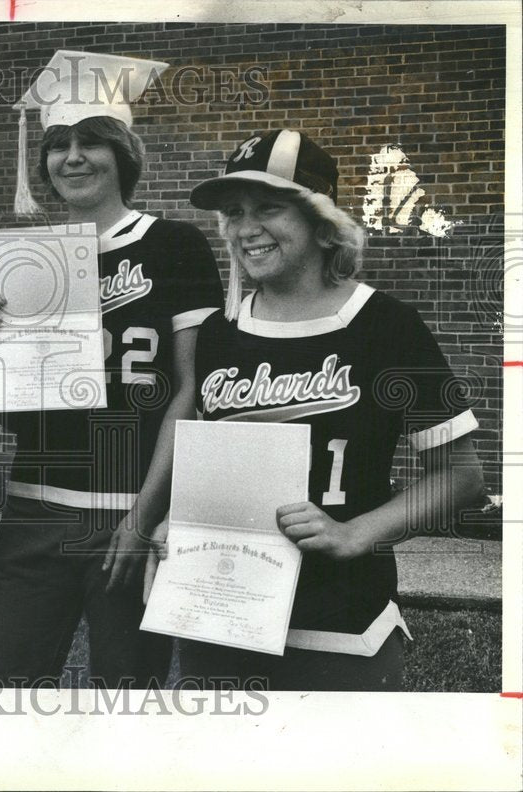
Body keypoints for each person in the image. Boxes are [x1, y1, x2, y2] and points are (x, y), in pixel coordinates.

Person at [144, 129, 485, 691]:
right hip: (221, 618)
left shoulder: (387, 325)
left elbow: (463, 477)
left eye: (269, 208)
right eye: (234, 212)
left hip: (341, 624)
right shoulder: (218, 333)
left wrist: (358, 533)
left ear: (322, 220)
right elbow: (213, 471)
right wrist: (175, 525)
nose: (246, 228)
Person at [0, 51, 224, 687]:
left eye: (91, 142)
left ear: (124, 154)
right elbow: (5, 399)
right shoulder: (27, 258)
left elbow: (192, 388)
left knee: (126, 698)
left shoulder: (175, 244)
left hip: (128, 508)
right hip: (32, 510)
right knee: (3, 690)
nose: (72, 157)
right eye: (58, 145)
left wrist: (145, 516)